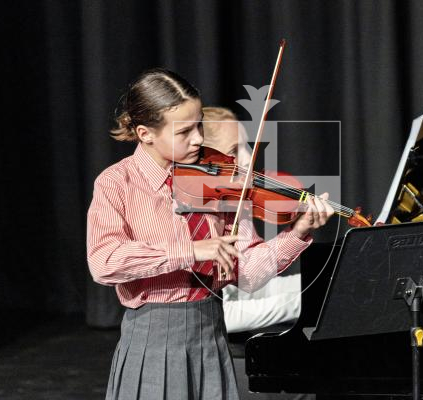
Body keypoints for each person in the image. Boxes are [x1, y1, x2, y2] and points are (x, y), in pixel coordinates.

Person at [86, 68, 334, 400]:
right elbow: (104, 262)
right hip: (154, 336)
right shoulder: (117, 183)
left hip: (210, 330)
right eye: (184, 131)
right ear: (145, 133)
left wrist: (296, 233)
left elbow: (247, 274)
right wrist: (190, 250)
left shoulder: (217, 182)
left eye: (199, 125)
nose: (199, 139)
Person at [201, 106, 303, 334]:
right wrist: (305, 302)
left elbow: (247, 280)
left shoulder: (235, 202)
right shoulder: (193, 213)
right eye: (235, 150)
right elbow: (226, 314)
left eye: (246, 146)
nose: (248, 158)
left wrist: (326, 282)